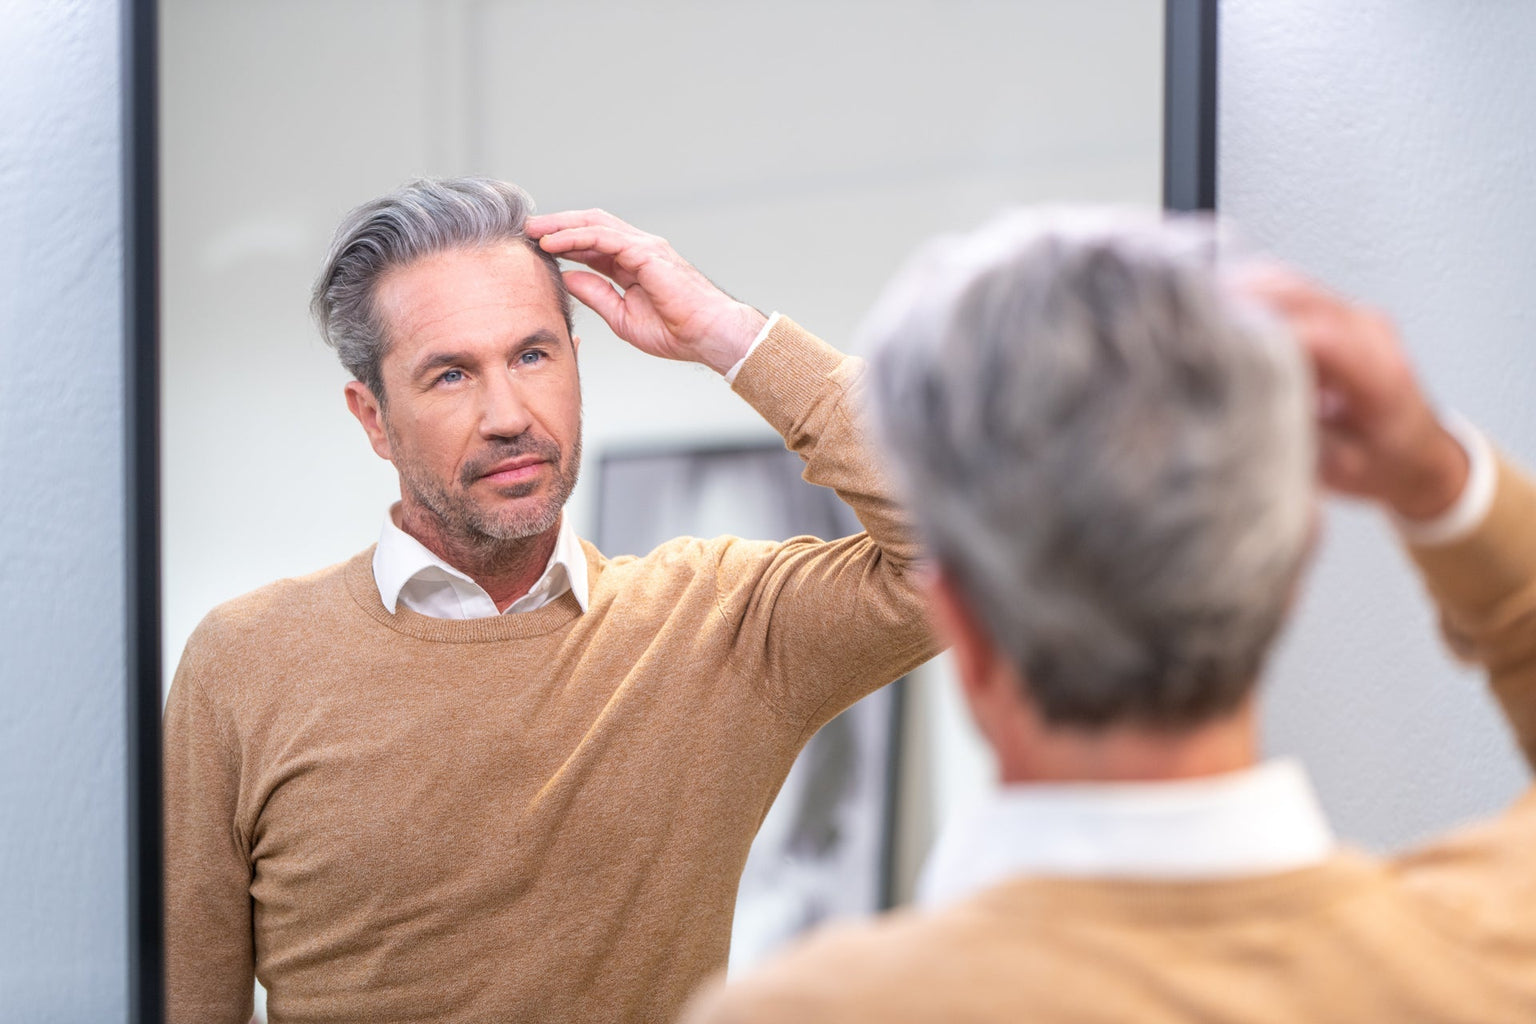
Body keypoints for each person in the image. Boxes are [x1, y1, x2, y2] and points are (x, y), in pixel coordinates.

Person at [681, 210, 1536, 1023]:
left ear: (965, 635)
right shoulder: (1490, 959)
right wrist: (1435, 477)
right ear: (1290, 572)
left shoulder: (803, 1013)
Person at [161, 178, 937, 1024]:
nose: (507, 415)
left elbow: (978, 543)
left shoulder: (716, 628)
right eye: (451, 374)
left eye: (533, 355)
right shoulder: (243, 663)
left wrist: (731, 335)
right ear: (373, 419)